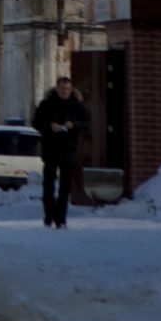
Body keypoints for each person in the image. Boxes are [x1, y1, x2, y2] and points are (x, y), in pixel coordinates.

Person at [32, 75, 89, 228]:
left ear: (71, 90)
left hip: (68, 149)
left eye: (68, 89)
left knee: (65, 186)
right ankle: (49, 216)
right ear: (57, 89)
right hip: (50, 148)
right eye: (62, 88)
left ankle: (61, 218)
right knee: (48, 185)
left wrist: (73, 124)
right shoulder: (46, 104)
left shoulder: (77, 105)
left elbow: (87, 122)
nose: (65, 91)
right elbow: (36, 122)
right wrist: (50, 126)